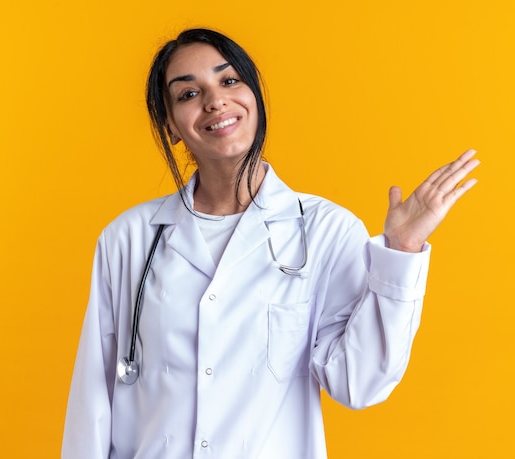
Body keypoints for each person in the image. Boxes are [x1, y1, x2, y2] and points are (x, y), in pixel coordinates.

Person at [62, 28, 479, 458]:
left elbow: (359, 383)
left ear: (254, 97)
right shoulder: (129, 239)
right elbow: (93, 399)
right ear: (170, 125)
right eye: (188, 94)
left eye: (229, 81)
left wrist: (402, 249)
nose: (214, 101)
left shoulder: (326, 231)